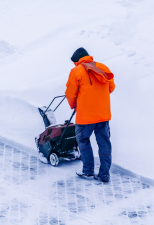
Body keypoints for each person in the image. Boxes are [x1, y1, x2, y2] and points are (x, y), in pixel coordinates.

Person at [65, 47, 115, 182]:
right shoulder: (102, 67)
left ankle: (88, 171)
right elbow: (111, 87)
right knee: (104, 143)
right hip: (103, 114)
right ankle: (104, 174)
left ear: (77, 61)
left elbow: (70, 93)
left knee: (83, 141)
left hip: (85, 116)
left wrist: (74, 105)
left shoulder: (76, 71)